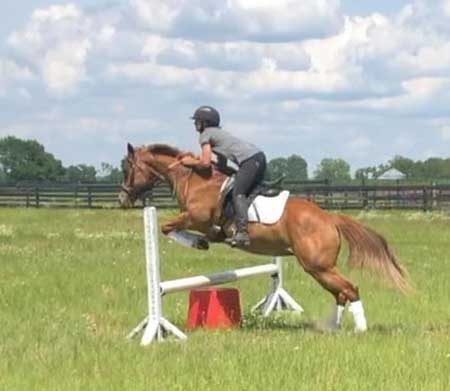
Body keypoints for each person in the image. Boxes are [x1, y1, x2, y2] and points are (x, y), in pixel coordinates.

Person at [180, 105, 266, 247]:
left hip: (250, 161)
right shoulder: (218, 133)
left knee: (238, 193)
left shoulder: (205, 135)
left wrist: (190, 162)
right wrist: (208, 162)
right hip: (257, 158)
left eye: (197, 121)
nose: (195, 124)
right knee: (240, 189)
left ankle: (243, 232)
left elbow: (205, 163)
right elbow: (222, 164)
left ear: (205, 123)